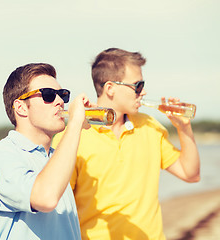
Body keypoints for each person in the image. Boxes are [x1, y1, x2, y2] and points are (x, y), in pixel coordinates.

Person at [52, 48, 200, 240]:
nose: (144, 92)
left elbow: (191, 174)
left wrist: (184, 128)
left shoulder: (149, 126)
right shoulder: (72, 136)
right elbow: (58, 207)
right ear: (110, 88)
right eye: (138, 85)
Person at [0, 63, 94, 239]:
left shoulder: (56, 157)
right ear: (21, 107)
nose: (60, 102)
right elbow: (45, 198)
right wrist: (75, 124)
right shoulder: (1, 156)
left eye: (63, 95)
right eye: (48, 95)